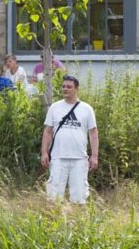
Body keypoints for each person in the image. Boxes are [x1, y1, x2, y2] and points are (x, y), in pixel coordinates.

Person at [40, 74, 98, 204]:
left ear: (76, 89)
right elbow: (47, 131)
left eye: (69, 87)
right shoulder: (54, 108)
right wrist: (44, 153)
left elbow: (93, 133)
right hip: (58, 157)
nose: (65, 89)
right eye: (63, 86)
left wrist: (94, 156)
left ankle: (76, 219)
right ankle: (55, 220)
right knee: (54, 196)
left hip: (79, 158)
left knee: (79, 196)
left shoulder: (86, 109)